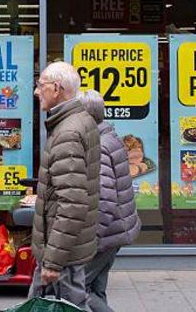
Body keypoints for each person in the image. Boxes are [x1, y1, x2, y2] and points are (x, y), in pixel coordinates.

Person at [28, 61, 100, 310]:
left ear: (56, 88)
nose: (37, 92)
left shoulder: (67, 132)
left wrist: (52, 262)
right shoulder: (78, 120)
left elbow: (72, 205)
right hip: (68, 248)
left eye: (41, 85)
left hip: (62, 254)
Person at [79, 90, 140, 312]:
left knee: (75, 287)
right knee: (95, 290)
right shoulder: (109, 136)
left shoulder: (99, 146)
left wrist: (90, 239)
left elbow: (104, 201)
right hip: (115, 230)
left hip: (105, 234)